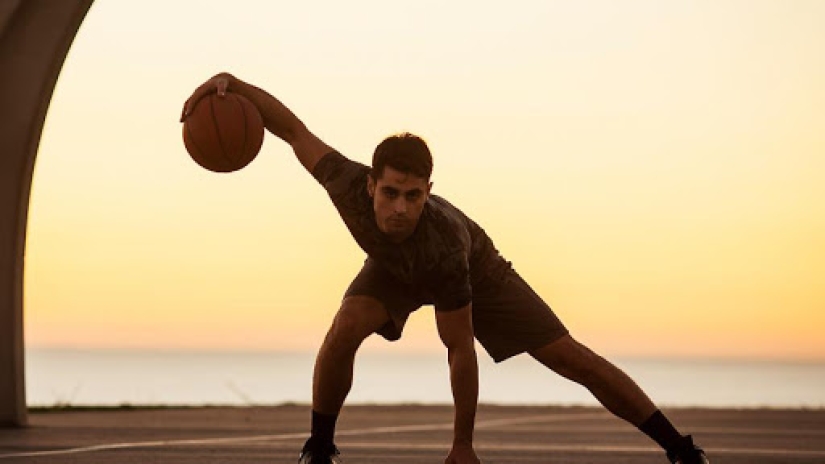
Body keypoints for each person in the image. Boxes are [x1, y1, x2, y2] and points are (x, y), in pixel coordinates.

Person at [181, 73, 710, 464]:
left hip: (477, 270)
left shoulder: (445, 245)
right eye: (390, 193)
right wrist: (235, 85)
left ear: (428, 193)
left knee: (572, 360)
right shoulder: (344, 180)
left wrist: (462, 445)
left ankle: (680, 450)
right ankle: (320, 450)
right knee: (343, 329)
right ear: (371, 185)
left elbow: (459, 348)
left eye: (413, 196)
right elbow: (292, 129)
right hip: (390, 268)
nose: (400, 208)